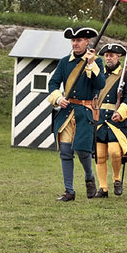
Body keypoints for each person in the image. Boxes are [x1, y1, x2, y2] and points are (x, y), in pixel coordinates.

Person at [47, 27, 106, 202]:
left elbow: (100, 83)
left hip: (85, 112)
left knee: (82, 150)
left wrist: (90, 64)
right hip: (67, 111)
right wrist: (58, 99)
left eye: (79, 40)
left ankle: (89, 177)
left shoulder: (96, 62)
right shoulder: (65, 62)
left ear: (87, 42)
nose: (75, 43)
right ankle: (69, 191)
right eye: (73, 40)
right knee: (65, 151)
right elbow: (53, 83)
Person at [93, 43, 127, 197]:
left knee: (115, 152)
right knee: (100, 155)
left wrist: (122, 111)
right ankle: (103, 188)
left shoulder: (126, 75)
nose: (108, 58)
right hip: (99, 119)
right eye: (106, 55)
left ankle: (117, 179)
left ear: (119, 57)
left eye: (112, 55)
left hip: (116, 120)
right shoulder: (98, 74)